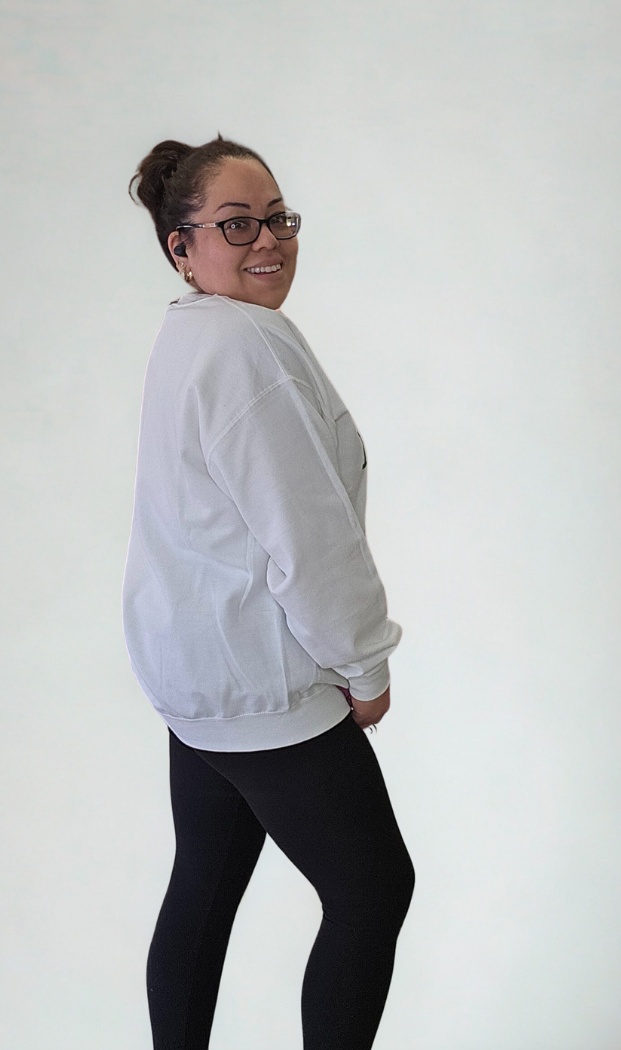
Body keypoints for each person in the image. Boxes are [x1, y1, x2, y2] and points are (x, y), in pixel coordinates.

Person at [122, 133, 415, 1050]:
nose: (269, 241)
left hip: (193, 678)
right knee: (373, 891)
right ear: (182, 246)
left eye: (278, 218)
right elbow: (309, 536)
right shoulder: (250, 346)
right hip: (264, 685)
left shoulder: (190, 332)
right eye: (236, 224)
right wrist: (363, 664)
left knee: (205, 881)